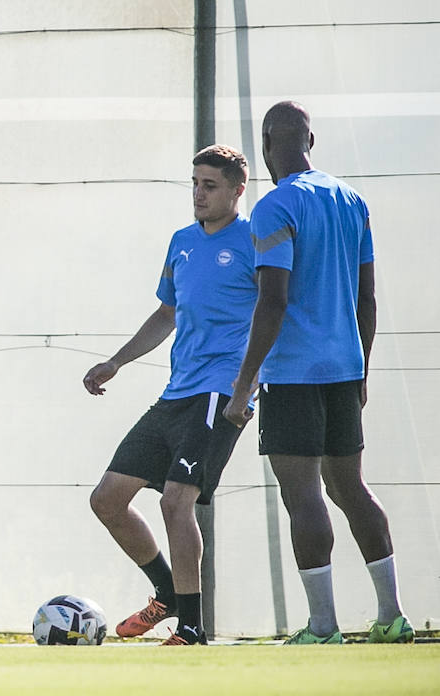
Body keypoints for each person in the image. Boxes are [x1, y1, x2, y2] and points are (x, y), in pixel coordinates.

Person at [224, 101, 412, 644]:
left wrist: (243, 385)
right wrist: (363, 372)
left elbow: (273, 301)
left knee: (303, 495)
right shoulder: (352, 200)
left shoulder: (274, 207)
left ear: (265, 144)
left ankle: (324, 626)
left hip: (293, 373)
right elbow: (367, 298)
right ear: (312, 141)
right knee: (351, 489)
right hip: (344, 370)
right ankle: (391, 617)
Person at [83, 145, 256, 646]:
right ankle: (167, 592)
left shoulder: (254, 241)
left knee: (178, 502)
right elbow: (166, 314)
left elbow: (277, 310)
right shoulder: (181, 241)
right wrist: (116, 361)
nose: (199, 194)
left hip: (220, 392)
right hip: (176, 394)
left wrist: (247, 388)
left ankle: (192, 627)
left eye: (211, 186)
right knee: (107, 499)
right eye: (196, 184)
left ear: (237, 190)